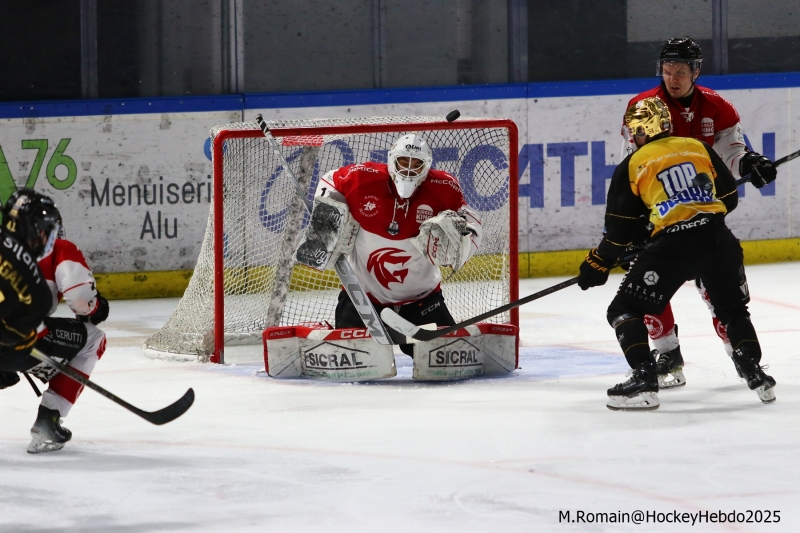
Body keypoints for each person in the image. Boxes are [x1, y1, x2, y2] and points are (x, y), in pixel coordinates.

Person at [580, 97, 775, 410]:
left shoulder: (633, 163)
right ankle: (754, 372)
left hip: (672, 247)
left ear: (642, 130)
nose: (633, 136)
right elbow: (728, 197)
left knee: (622, 310)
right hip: (719, 240)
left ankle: (644, 379)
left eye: (635, 131)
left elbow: (618, 233)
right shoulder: (697, 147)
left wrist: (596, 263)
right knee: (733, 311)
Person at [621, 37, 778, 389]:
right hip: (658, 215)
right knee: (645, 287)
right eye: (666, 71)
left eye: (679, 72)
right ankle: (667, 353)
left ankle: (741, 355)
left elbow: (733, 152)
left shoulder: (718, 107)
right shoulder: (644, 108)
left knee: (718, 288)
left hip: (701, 213)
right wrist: (635, 227)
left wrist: (750, 162)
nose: (671, 79)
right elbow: (633, 168)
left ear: (696, 72)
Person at [299, 133, 482, 354]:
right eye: (404, 161)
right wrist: (325, 223)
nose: (409, 169)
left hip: (422, 301)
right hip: (362, 300)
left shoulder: (444, 187)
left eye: (417, 164)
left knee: (446, 358)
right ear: (392, 160)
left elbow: (468, 219)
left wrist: (465, 242)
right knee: (350, 360)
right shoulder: (363, 179)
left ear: (427, 166)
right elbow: (330, 179)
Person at [0, 189, 109, 453]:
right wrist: (96, 308)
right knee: (94, 340)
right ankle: (49, 418)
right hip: (22, 343)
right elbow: (82, 300)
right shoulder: (60, 249)